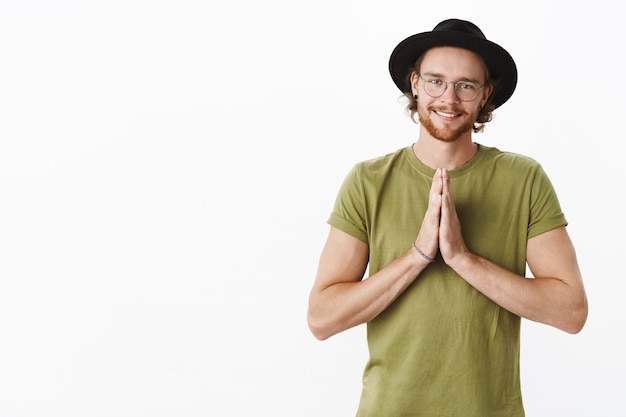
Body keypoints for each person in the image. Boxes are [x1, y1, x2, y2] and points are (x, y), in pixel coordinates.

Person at [307, 18, 588, 416]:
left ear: (485, 94)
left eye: (466, 86)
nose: (449, 99)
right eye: (436, 81)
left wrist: (461, 258)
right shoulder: (367, 181)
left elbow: (571, 311)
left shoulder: (524, 179)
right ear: (415, 84)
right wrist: (418, 255)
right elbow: (321, 319)